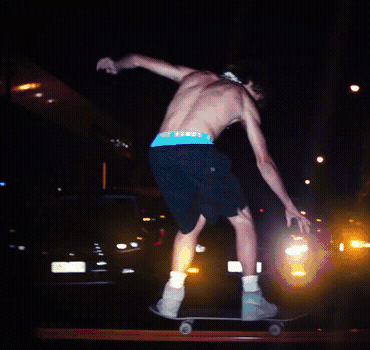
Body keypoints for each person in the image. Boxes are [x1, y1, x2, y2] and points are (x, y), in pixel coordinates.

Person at [97, 54, 311, 320]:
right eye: (257, 99)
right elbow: (264, 161)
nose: (253, 107)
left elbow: (139, 60)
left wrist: (115, 65)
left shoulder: (194, 75)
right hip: (195, 149)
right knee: (243, 220)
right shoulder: (242, 97)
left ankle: (170, 301)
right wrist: (289, 204)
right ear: (250, 85)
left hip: (160, 153)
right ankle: (253, 302)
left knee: (191, 226)